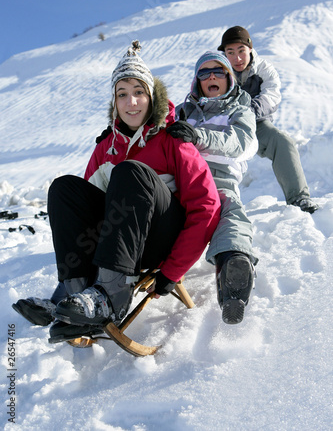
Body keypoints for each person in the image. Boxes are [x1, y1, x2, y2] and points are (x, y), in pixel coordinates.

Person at [12, 41, 221, 343]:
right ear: (114, 102)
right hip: (122, 243)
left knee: (130, 171)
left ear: (151, 97)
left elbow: (207, 207)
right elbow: (83, 214)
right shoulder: (105, 147)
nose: (131, 101)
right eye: (122, 94)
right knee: (64, 188)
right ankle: (73, 294)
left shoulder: (171, 139)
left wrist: (172, 271)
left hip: (161, 239)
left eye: (138, 92)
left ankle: (111, 297)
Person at [166, 51, 258, 325]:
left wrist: (198, 136)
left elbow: (241, 142)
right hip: (181, 178)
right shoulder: (184, 112)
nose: (211, 77)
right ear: (197, 81)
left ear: (229, 76)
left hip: (218, 177)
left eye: (218, 71)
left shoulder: (239, 109)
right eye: (204, 73)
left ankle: (233, 269)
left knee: (227, 208)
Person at [218, 26, 318, 214]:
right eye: (230, 53)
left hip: (256, 124)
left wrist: (249, 113)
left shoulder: (263, 70)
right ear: (224, 54)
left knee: (282, 141)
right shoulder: (218, 70)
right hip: (224, 125)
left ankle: (299, 197)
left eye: (241, 51)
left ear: (250, 49)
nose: (237, 58)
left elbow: (271, 96)